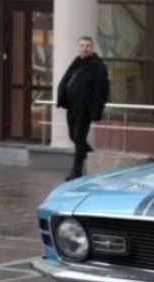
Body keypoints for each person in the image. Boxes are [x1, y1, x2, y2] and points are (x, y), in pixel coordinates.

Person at [57, 36, 110, 181]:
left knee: (79, 138)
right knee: (73, 136)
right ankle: (93, 157)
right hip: (72, 107)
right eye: (82, 45)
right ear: (78, 47)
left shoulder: (98, 66)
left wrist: (95, 110)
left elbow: (102, 90)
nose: (84, 48)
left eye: (87, 46)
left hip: (85, 109)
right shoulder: (76, 62)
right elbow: (67, 79)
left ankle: (76, 171)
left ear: (92, 48)